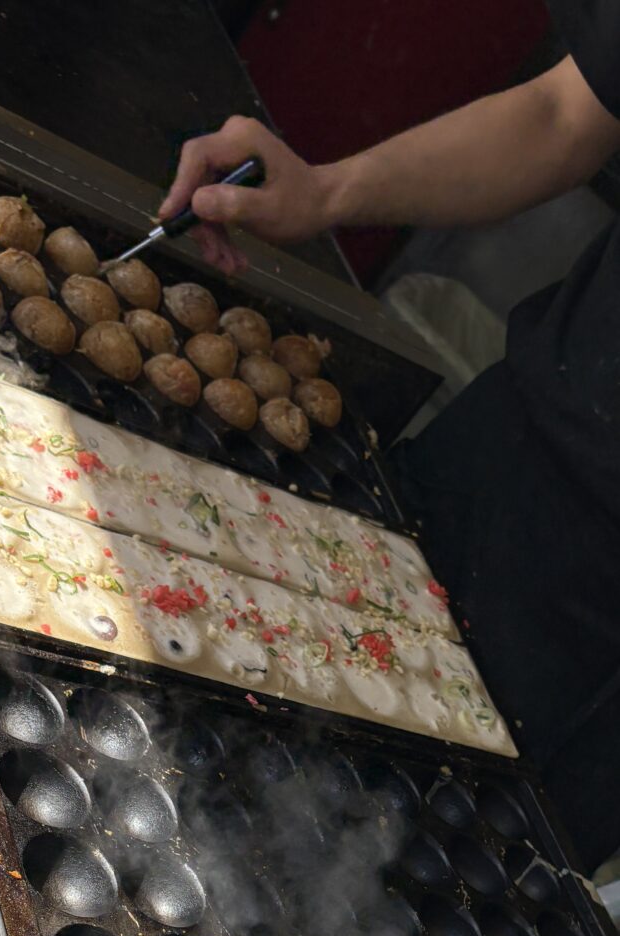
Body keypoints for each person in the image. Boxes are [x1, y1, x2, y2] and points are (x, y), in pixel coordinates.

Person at [159, 1, 620, 873]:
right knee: (234, 727)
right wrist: (330, 190)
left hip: (596, 684)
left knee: (427, 912)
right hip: (504, 463)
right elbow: (570, 111)